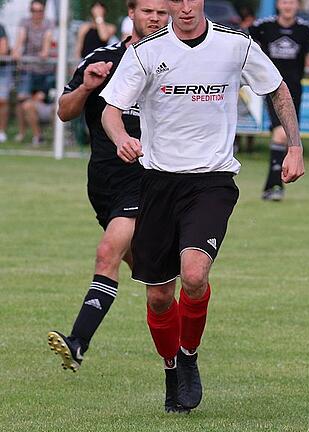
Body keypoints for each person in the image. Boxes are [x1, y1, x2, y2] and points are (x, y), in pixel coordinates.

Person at [100, 0, 304, 413]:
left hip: (212, 180)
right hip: (158, 182)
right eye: (178, 0)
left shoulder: (236, 44)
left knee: (194, 274)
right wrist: (122, 137)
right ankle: (171, 365)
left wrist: (295, 145)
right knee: (159, 298)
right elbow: (111, 110)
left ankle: (189, 355)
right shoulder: (146, 51)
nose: (187, 7)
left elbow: (277, 88)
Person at [46, 0, 168, 380]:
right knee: (155, 283)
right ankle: (180, 344)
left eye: (162, 12)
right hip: (103, 186)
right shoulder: (103, 58)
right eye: (148, 10)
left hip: (145, 181)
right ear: (131, 13)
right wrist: (86, 86)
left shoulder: (174, 62)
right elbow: (64, 111)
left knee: (106, 254)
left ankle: (78, 342)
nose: (155, 18)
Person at [249, 0, 309, 201]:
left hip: (294, 92)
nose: (288, 6)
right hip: (272, 89)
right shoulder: (263, 27)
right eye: (284, 2)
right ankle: (276, 186)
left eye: (291, 2)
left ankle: (270, 186)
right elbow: (246, 47)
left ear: (297, 5)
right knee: (282, 135)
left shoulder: (304, 29)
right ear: (278, 5)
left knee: (285, 137)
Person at [12, 0, 54, 145]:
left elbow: (47, 41)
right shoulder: (25, 22)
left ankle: (39, 135)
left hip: (44, 71)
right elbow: (21, 38)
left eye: (40, 11)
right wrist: (17, 50)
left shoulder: (48, 23)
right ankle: (23, 133)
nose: (37, 14)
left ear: (44, 11)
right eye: (34, 11)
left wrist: (45, 51)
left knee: (35, 102)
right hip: (28, 69)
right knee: (22, 101)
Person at [0, 23, 11, 143]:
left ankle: (1, 132)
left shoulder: (1, 27)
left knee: (2, 101)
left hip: (2, 69)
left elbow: (3, 50)